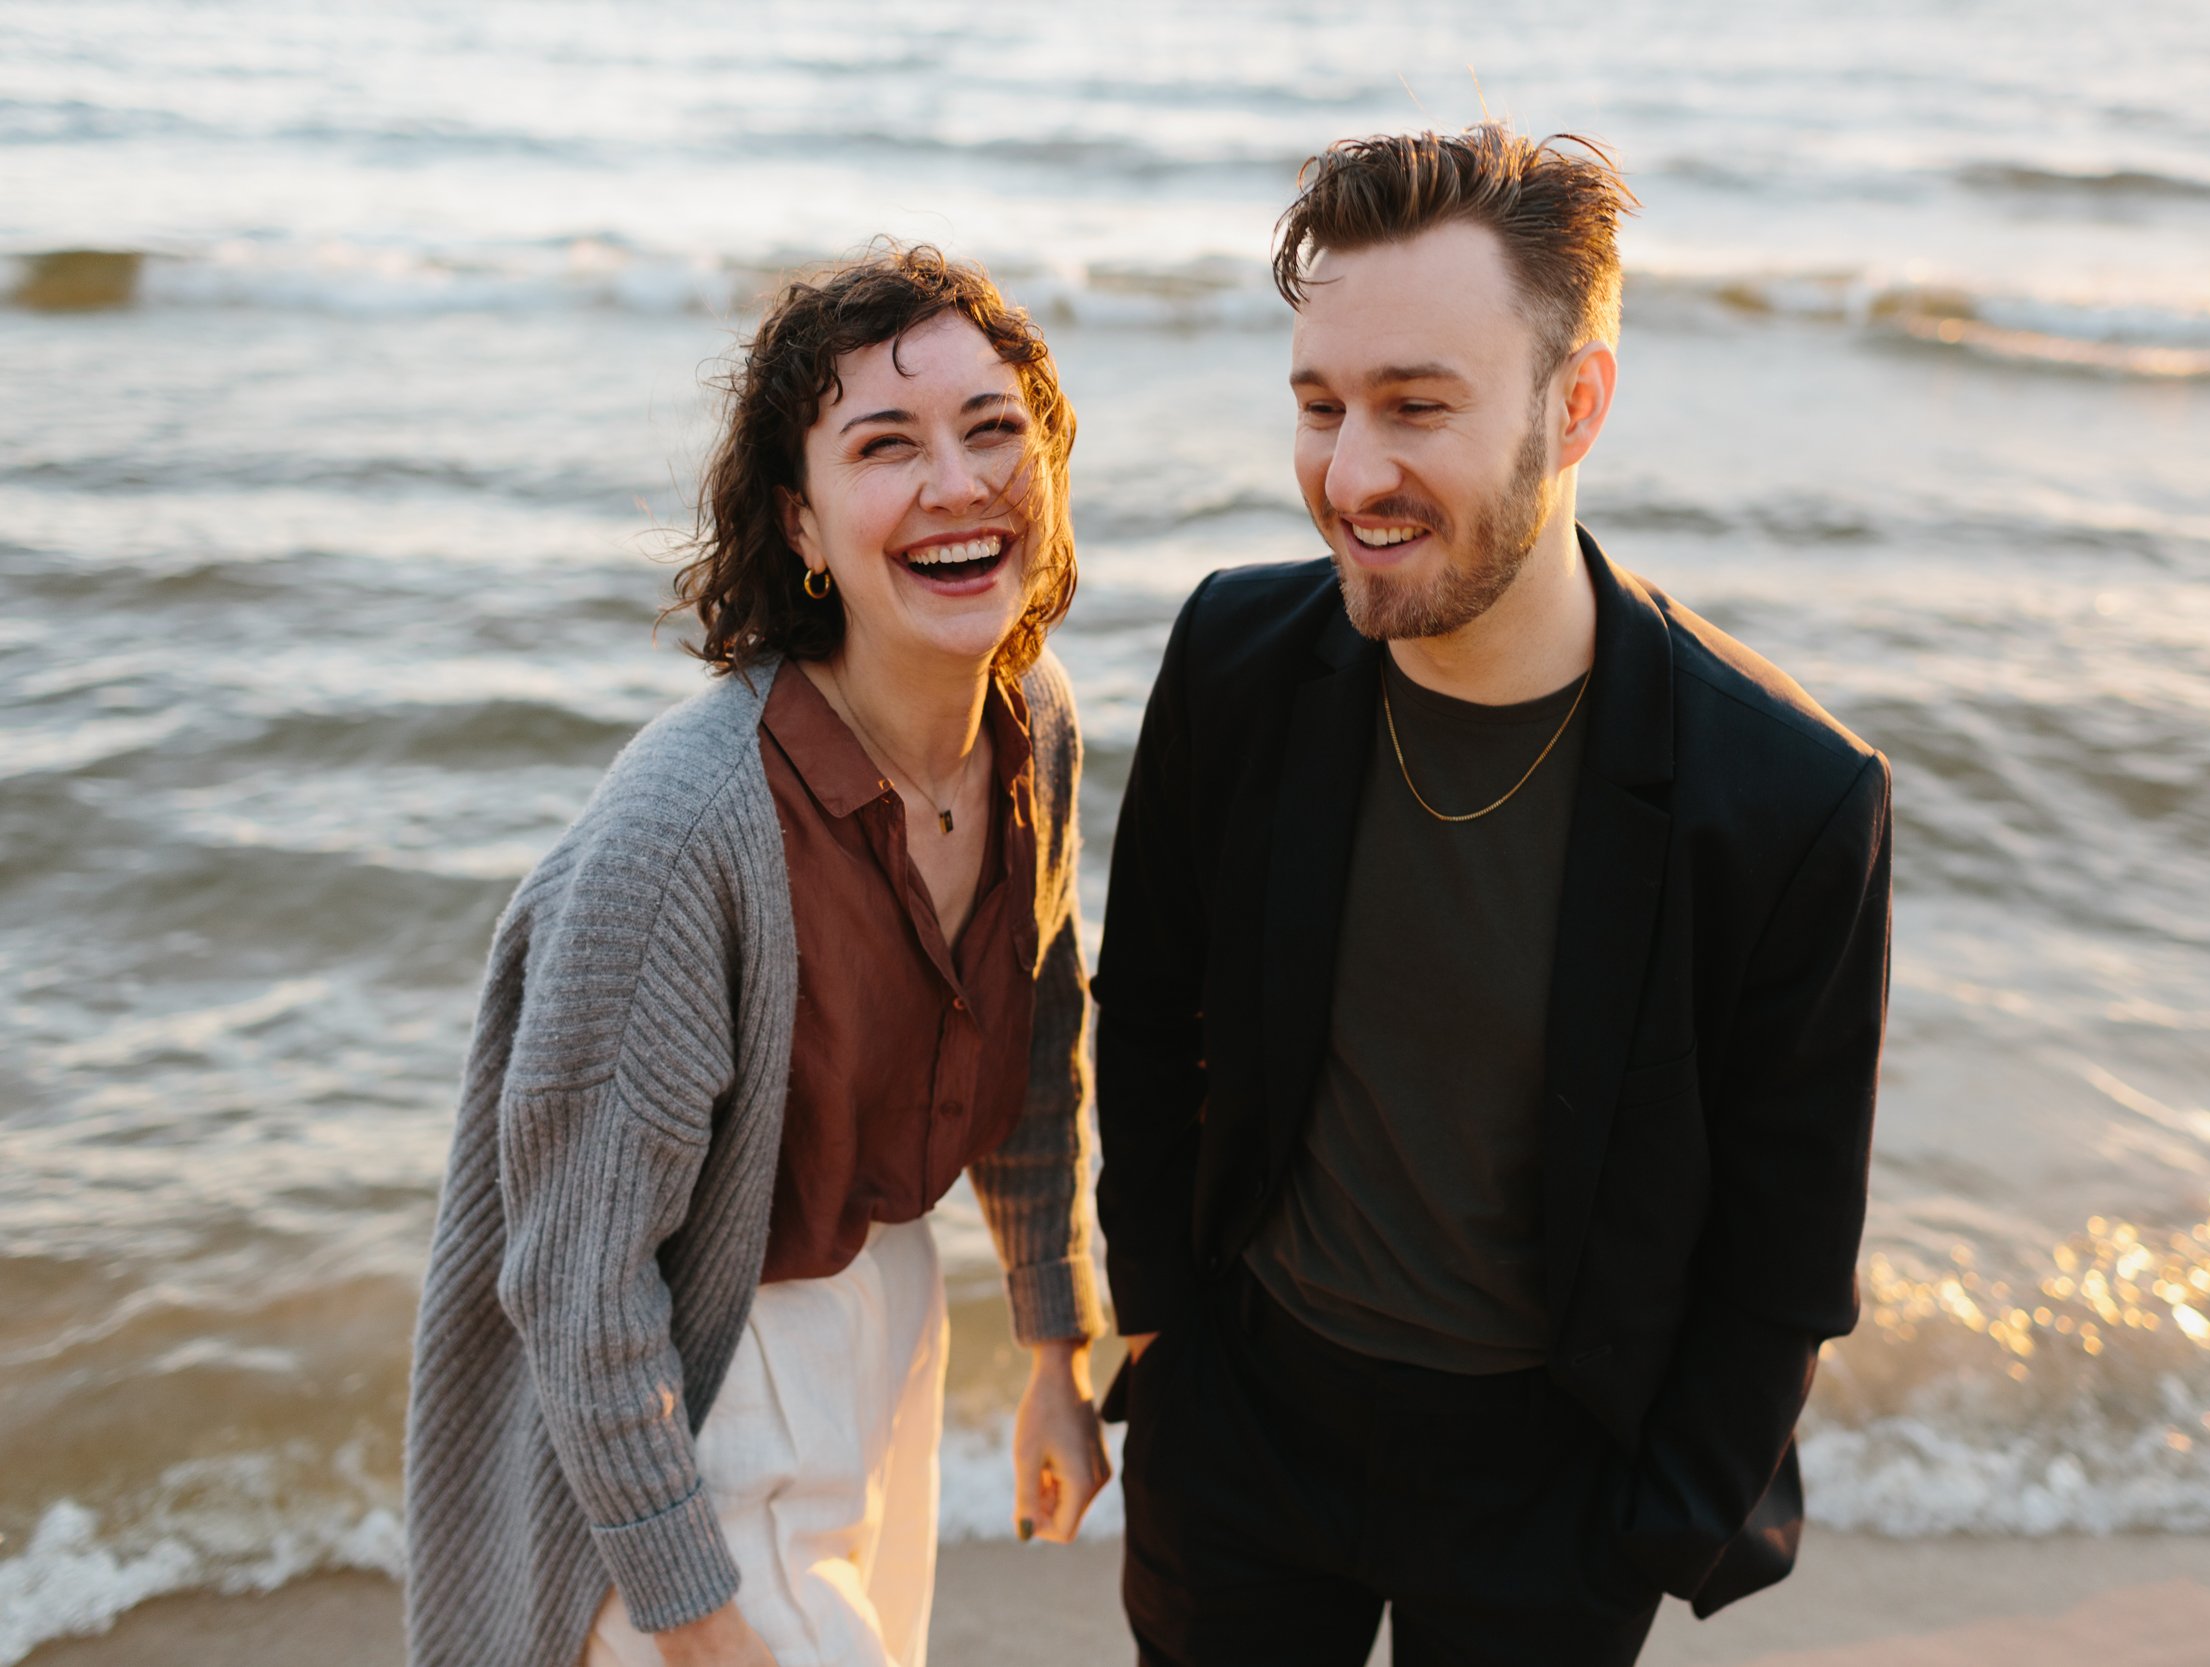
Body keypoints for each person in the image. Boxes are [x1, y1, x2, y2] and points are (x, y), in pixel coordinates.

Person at [1092, 125, 1893, 1665]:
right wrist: (1160, 1329)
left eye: (1418, 408)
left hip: (1553, 1489)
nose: (1351, 473)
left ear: (1574, 403)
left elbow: (1787, 1252)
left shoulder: (1789, 799)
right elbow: (1151, 1015)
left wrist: (1658, 1523)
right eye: (1321, 407)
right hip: (1246, 1431)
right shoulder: (1235, 659)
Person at [403, 245, 1110, 1667]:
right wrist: (695, 1618)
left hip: (888, 1320)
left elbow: (1039, 1040)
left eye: (991, 430)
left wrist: (1056, 1353)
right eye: (885, 446)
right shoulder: (687, 833)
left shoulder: (1030, 721)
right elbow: (577, 1281)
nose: (958, 484)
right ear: (802, 521)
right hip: (693, 1380)